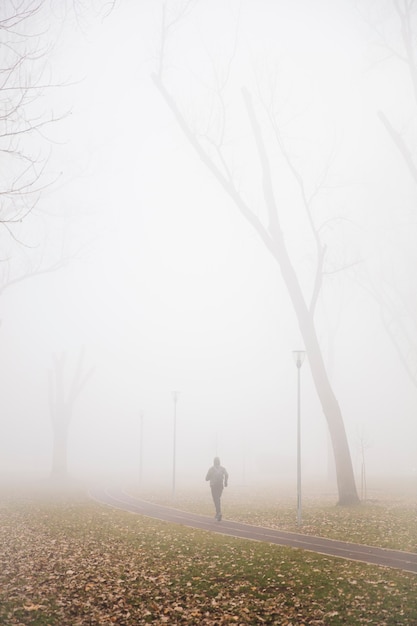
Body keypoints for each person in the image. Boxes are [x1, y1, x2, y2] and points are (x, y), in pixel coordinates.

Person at [205, 456, 228, 521]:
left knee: (216, 499)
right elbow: (226, 474)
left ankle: (218, 513)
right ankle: (218, 513)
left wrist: (210, 477)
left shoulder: (211, 469)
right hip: (220, 486)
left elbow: (206, 478)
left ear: (214, 462)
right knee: (218, 498)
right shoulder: (222, 468)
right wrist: (226, 482)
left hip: (214, 486)